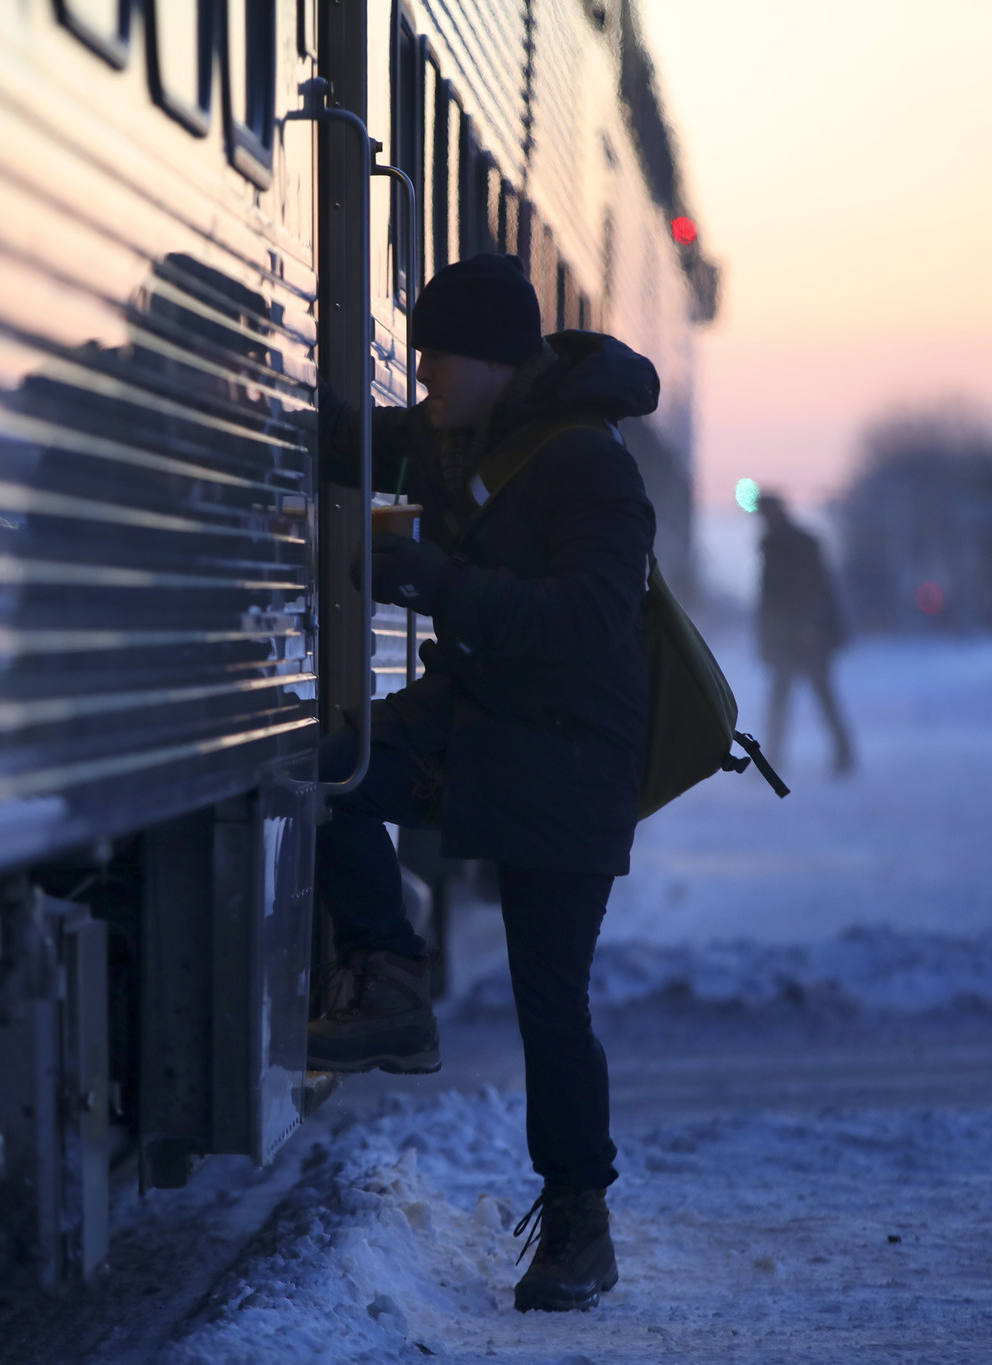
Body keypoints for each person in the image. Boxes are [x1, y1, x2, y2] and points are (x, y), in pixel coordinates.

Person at [308, 253, 657, 1313]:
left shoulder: (587, 462)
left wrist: (440, 583)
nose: (421, 377)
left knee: (549, 1003)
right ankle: (390, 981)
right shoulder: (454, 435)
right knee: (325, 772)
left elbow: (588, 620)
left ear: (498, 361)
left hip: (569, 752)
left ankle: (579, 1225)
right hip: (473, 721)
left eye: (437, 358)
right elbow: (349, 440)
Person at [755, 492, 855, 774]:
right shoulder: (773, 543)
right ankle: (773, 759)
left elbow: (813, 587)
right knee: (784, 700)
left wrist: (810, 625)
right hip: (787, 635)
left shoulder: (797, 543)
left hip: (807, 635)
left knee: (819, 696)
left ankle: (843, 755)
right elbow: (771, 599)